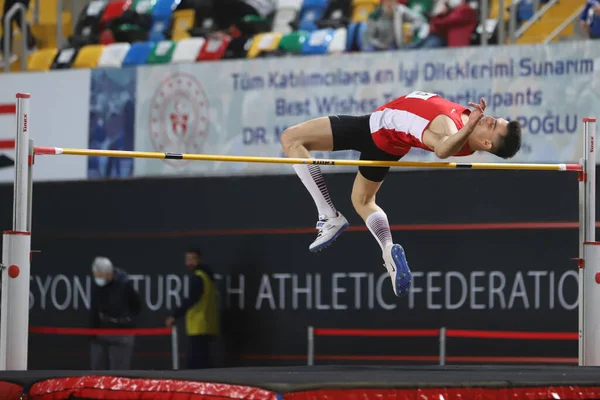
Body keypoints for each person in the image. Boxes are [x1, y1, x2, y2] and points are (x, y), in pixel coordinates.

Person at [280, 90, 522, 297]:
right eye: (493, 119)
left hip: (374, 129)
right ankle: (388, 250)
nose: (488, 118)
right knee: (363, 200)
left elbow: (443, 149)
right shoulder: (468, 131)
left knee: (291, 138)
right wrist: (471, 125)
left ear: (488, 144)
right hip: (391, 139)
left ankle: (327, 215)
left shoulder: (452, 130)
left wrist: (468, 127)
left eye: (492, 125)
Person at [166, 248, 219, 369]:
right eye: (187, 259)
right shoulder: (208, 277)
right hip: (207, 325)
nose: (189, 262)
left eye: (193, 259)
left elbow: (191, 300)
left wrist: (174, 316)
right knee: (205, 363)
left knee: (195, 366)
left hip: (199, 326)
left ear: (199, 260)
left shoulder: (198, 277)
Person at [89, 256, 142, 370]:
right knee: (97, 372)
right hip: (100, 332)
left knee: (118, 374)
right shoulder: (97, 285)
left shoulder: (125, 284)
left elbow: (137, 306)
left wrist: (126, 322)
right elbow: (94, 307)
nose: (97, 278)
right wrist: (92, 331)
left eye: (100, 275)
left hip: (121, 333)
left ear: (109, 273)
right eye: (96, 275)